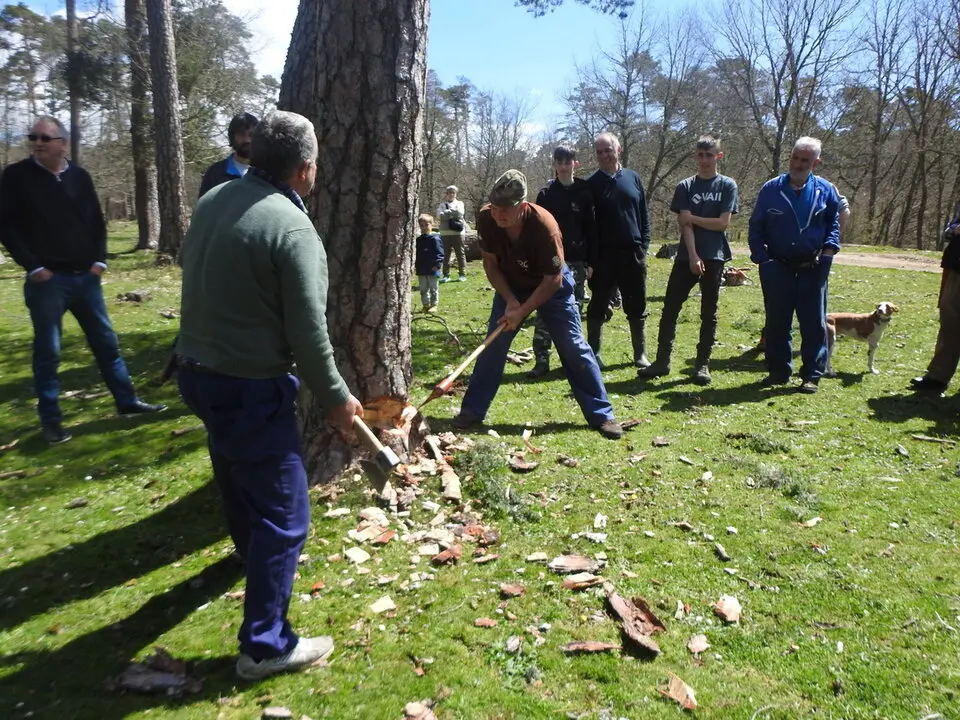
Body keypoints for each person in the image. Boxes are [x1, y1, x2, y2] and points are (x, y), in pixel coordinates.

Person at [176, 111, 363, 680]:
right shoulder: (292, 228)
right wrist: (336, 397)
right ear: (306, 168)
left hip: (196, 372)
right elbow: (308, 332)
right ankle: (264, 645)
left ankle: (248, 559)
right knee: (287, 514)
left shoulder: (214, 199)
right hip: (248, 386)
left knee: (236, 477)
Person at [0, 116, 166, 445]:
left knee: (107, 345)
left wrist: (100, 262)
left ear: (63, 143)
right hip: (47, 283)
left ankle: (127, 402)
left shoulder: (79, 177)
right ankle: (51, 421)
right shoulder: (16, 177)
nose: (37, 142)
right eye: (33, 137)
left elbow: (96, 223)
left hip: (85, 280)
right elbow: (6, 227)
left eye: (45, 138)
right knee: (48, 353)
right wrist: (33, 267)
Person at [450, 170, 622, 440]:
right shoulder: (486, 218)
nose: (499, 214)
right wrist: (510, 301)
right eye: (495, 207)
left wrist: (522, 311)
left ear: (523, 205)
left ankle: (601, 414)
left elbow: (552, 280)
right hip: (511, 286)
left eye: (506, 209)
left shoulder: (545, 226)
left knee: (573, 346)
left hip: (551, 287)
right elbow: (490, 264)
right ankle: (472, 411)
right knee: (493, 346)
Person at [640, 135, 738, 385]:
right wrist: (693, 255)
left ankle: (702, 365)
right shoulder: (685, 186)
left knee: (709, 313)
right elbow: (685, 227)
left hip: (715, 257)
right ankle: (662, 362)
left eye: (709, 155)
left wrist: (693, 218)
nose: (704, 160)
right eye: (700, 155)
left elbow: (723, 223)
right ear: (696, 156)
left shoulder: (727, 186)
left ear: (719, 156)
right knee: (670, 309)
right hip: (687, 257)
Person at [748, 136, 841, 394]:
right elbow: (756, 227)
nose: (798, 164)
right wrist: (762, 259)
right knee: (777, 322)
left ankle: (811, 374)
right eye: (795, 158)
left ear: (816, 162)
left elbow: (833, 223)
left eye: (805, 160)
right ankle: (779, 371)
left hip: (813, 266)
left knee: (813, 323)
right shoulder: (771, 189)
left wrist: (829, 253)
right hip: (777, 265)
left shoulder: (826, 190)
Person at [527, 144, 598, 378]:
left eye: (568, 162)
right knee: (545, 310)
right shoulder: (546, 194)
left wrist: (591, 262)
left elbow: (591, 229)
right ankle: (541, 360)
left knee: (574, 310)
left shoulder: (585, 192)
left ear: (574, 164)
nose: (564, 167)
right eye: (560, 163)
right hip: (552, 262)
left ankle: (572, 361)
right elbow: (535, 230)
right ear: (555, 165)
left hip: (577, 261)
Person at [586, 132, 653, 369]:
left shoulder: (633, 178)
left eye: (608, 150)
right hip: (603, 256)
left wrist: (644, 245)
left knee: (637, 303)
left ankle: (640, 354)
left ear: (618, 149)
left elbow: (644, 214)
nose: (604, 155)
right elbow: (587, 224)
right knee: (598, 303)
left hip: (632, 253)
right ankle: (594, 353)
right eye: (599, 151)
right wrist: (590, 259)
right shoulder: (591, 185)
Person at [909, 199, 960, 395]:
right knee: (950, 322)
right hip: (956, 267)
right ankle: (937, 377)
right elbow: (949, 229)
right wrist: (955, 229)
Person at [198, 112, 258, 198]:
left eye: (251, 135)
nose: (247, 140)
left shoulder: (266, 173)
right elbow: (203, 208)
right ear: (232, 137)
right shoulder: (216, 172)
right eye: (241, 134)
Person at [437, 185, 467, 282]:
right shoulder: (442, 204)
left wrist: (446, 213)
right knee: (445, 254)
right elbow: (439, 216)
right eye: (449, 192)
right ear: (446, 194)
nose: (451, 194)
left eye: (453, 192)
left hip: (458, 233)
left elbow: (459, 213)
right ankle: (446, 275)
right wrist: (451, 213)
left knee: (460, 253)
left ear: (455, 194)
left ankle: (462, 273)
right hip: (445, 233)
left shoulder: (460, 203)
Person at [415, 213, 445, 312]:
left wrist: (437, 265)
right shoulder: (419, 240)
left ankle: (434, 304)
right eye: (422, 226)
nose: (424, 228)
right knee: (423, 288)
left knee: (433, 287)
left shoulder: (435, 239)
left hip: (433, 268)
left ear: (431, 224)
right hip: (422, 268)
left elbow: (440, 253)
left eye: (426, 225)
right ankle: (425, 304)